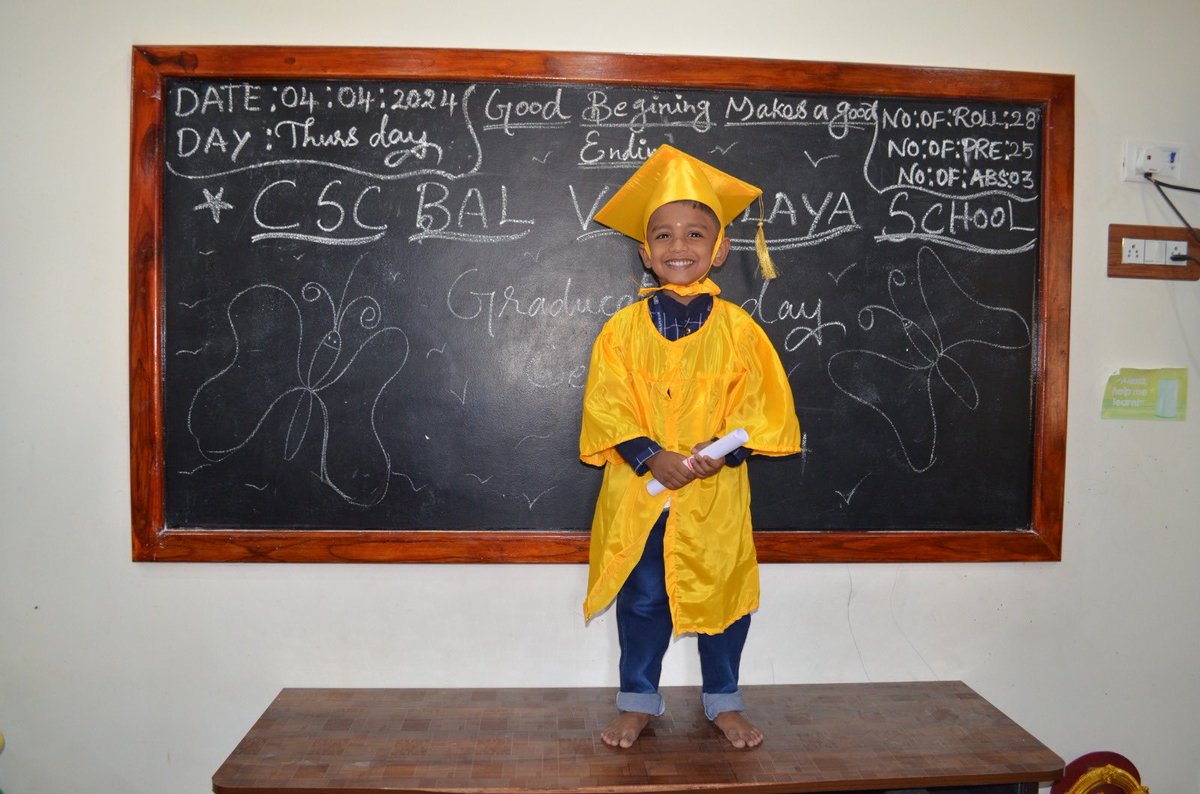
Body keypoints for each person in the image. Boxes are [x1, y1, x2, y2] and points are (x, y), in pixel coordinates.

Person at [579, 145, 801, 750]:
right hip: (641, 491)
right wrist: (653, 454)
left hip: (713, 490)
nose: (681, 246)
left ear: (721, 247)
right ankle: (638, 702)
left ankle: (724, 701)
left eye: (697, 233)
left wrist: (719, 449)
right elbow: (607, 404)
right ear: (645, 252)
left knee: (722, 595)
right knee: (644, 597)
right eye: (665, 235)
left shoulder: (741, 331)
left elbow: (762, 408)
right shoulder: (620, 331)